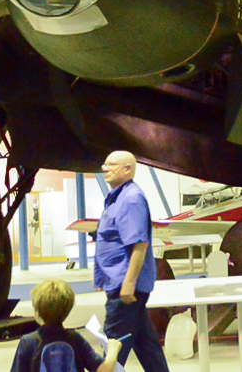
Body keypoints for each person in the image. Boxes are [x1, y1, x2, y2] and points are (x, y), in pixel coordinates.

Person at [94, 151, 169, 372]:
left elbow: (139, 244)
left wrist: (128, 283)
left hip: (125, 286)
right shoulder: (118, 198)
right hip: (121, 283)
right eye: (105, 164)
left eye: (112, 164)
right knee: (146, 344)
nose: (105, 168)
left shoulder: (131, 198)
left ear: (128, 169)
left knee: (114, 344)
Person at [10, 279, 123, 372]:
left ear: (37, 310)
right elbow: (104, 369)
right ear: (67, 310)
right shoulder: (74, 339)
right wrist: (112, 350)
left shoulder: (28, 342)